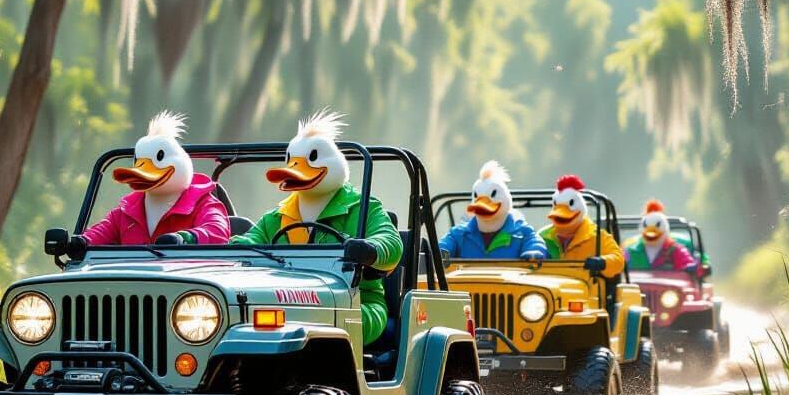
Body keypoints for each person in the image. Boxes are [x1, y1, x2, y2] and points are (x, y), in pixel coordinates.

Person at [230, 109, 402, 346]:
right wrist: (236, 248)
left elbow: (390, 241)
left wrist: (369, 249)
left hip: (356, 300)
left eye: (310, 159)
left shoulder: (362, 207)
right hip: (284, 301)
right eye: (292, 161)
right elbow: (251, 239)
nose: (296, 169)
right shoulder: (277, 216)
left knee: (322, 324)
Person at [82, 111, 229, 247]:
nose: (142, 170)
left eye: (159, 158)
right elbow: (102, 230)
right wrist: (82, 242)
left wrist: (185, 238)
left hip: (183, 272)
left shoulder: (202, 204)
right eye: (139, 161)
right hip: (134, 273)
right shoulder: (126, 210)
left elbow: (217, 231)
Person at [439, 161, 547, 261]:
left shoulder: (521, 232)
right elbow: (444, 245)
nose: (482, 206)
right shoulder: (460, 233)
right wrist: (440, 252)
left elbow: (534, 242)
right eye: (477, 197)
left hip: (509, 280)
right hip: (468, 281)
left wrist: (533, 252)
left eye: (493, 195)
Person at [538, 174, 624, 278]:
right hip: (548, 290)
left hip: (587, 289)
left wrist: (602, 262)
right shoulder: (543, 236)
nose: (561, 216)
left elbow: (618, 259)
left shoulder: (596, 236)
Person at [624, 200, 706, 275]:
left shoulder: (675, 250)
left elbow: (687, 265)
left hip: (669, 290)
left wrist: (693, 268)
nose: (651, 234)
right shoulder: (631, 251)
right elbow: (620, 266)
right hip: (637, 288)